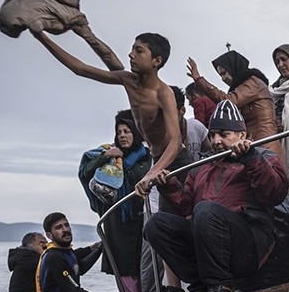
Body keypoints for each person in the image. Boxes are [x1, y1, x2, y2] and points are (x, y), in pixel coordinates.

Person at [143, 101, 289, 292]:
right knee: (155, 224)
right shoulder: (202, 167)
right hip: (208, 243)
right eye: (212, 135)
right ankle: (200, 287)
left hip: (248, 244)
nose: (216, 141)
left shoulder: (263, 156)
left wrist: (250, 158)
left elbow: (275, 193)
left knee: (205, 210)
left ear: (242, 134)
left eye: (224, 134)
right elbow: (186, 207)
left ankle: (221, 283)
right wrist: (168, 185)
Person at [30, 30, 182, 198]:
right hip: (155, 159)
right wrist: (41, 36)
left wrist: (151, 173)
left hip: (172, 160)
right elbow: (80, 69)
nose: (131, 55)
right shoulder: (128, 80)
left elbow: (175, 142)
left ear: (156, 61)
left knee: (177, 213)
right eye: (132, 49)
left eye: (139, 51)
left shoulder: (163, 93)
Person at [78, 110, 151, 292]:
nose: (123, 136)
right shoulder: (108, 154)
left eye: (127, 131)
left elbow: (140, 178)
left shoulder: (145, 157)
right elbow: (85, 172)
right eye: (119, 132)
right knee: (122, 263)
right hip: (116, 219)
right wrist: (106, 157)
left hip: (139, 217)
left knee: (142, 260)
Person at [187, 50, 285, 159]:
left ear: (234, 67)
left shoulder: (252, 83)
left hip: (265, 147)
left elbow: (228, 100)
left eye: (224, 73)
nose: (223, 78)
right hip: (255, 146)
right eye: (220, 75)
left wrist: (199, 80)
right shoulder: (245, 86)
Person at [173, 85, 211, 159]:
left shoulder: (197, 126)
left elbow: (210, 153)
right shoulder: (161, 136)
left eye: (169, 112)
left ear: (182, 110)